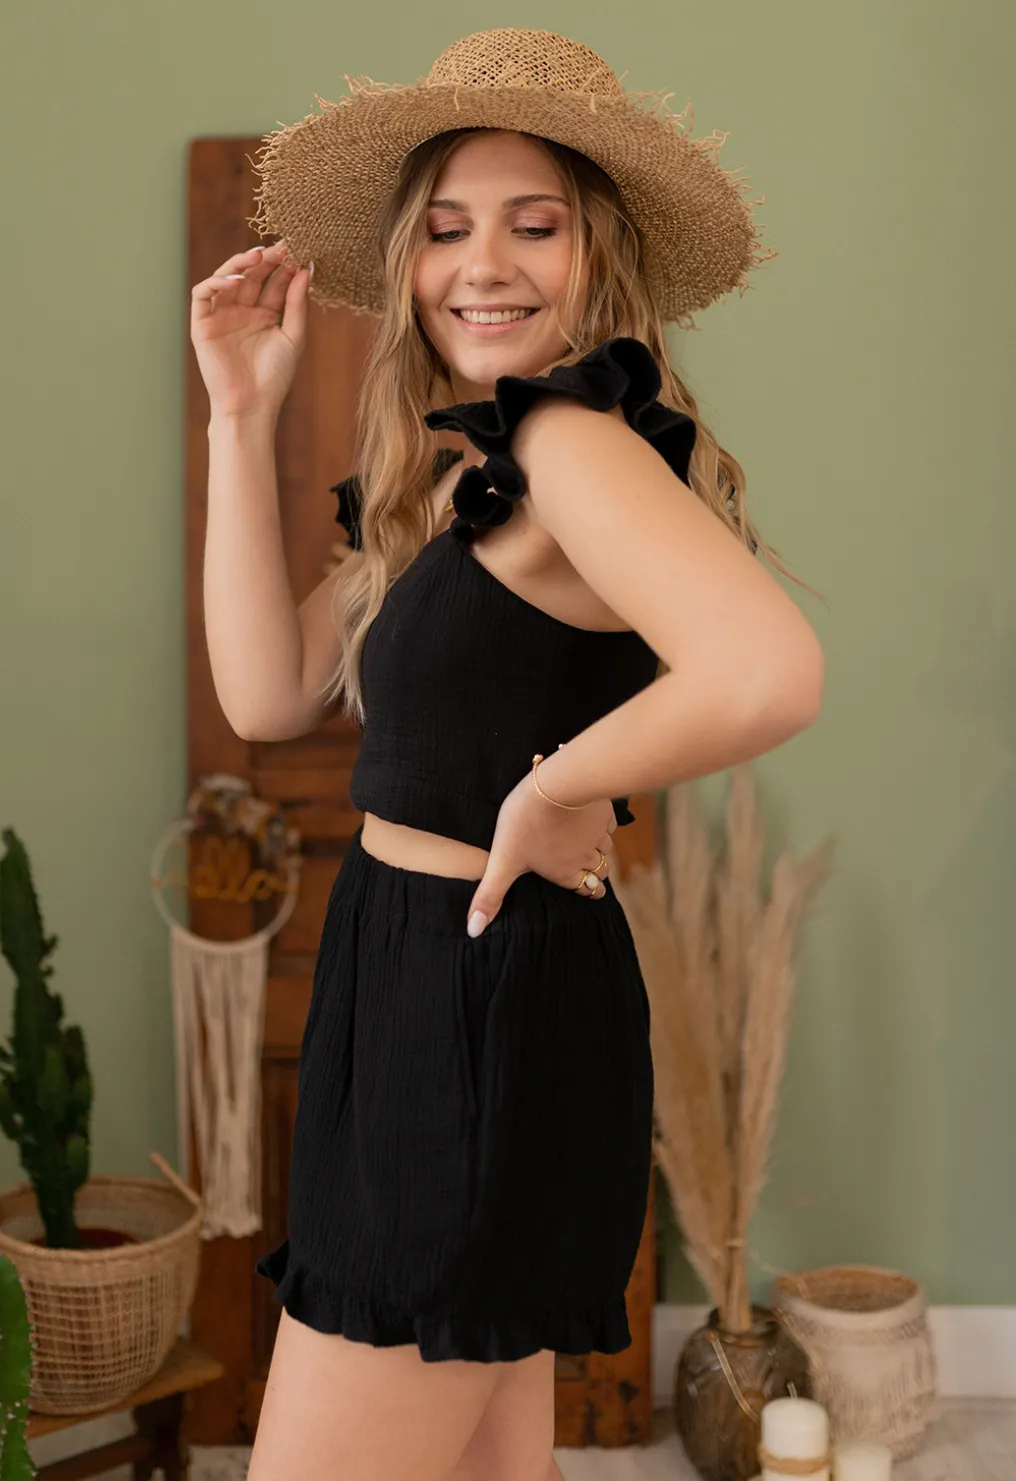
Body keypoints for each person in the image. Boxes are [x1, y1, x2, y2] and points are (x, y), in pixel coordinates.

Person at [191, 27, 825, 1481]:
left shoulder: (570, 444)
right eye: (445, 228)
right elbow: (269, 693)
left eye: (534, 226)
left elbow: (769, 669)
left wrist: (554, 785)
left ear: (598, 254)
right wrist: (240, 414)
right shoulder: (473, 469)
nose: (482, 264)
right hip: (426, 978)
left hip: (472, 999)